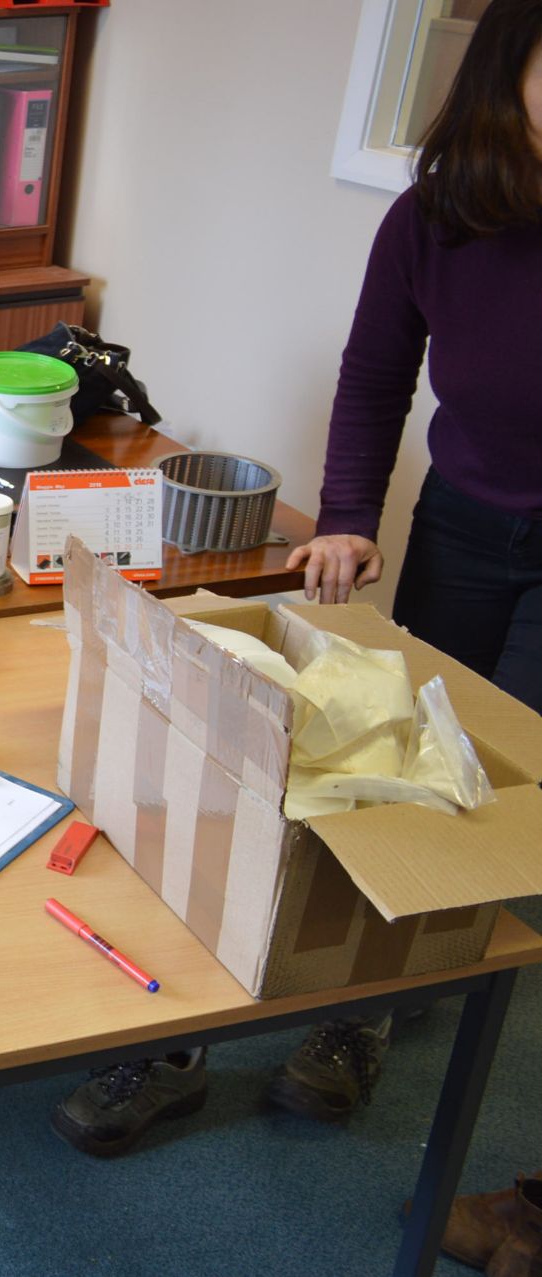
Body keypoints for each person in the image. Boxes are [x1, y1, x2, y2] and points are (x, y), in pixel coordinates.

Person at [53, 5, 542, 1257]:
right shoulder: (439, 211)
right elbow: (379, 368)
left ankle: (364, 1019)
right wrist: (344, 515)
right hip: (470, 525)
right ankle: (218, 1020)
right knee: (380, 768)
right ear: (513, 71)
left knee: (492, 798)